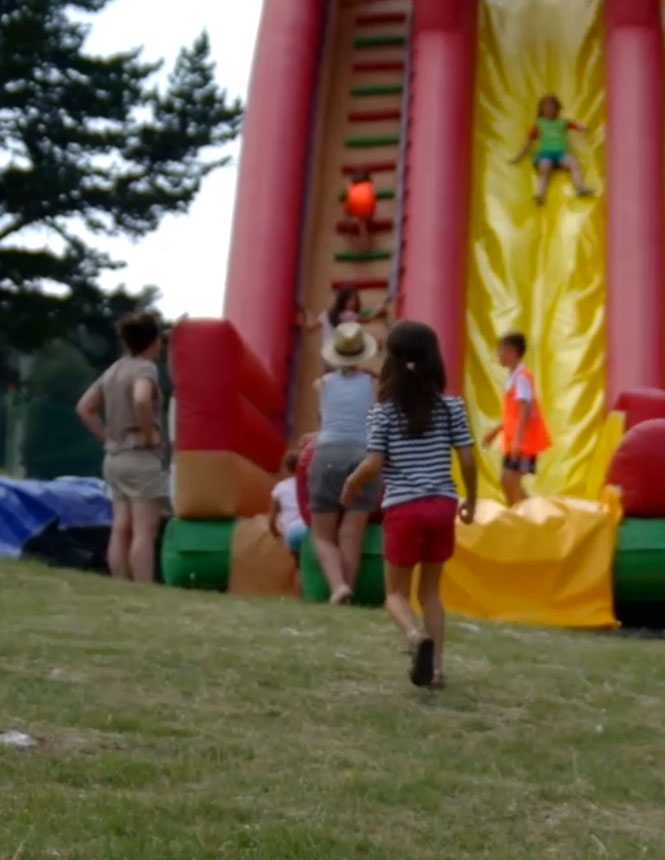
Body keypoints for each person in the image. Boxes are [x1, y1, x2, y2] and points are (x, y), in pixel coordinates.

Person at [341, 321, 477, 689]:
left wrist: (351, 486)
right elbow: (466, 460)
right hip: (442, 505)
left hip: (405, 508)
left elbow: (373, 463)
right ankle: (436, 671)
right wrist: (472, 501)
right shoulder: (452, 406)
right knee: (430, 592)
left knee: (395, 594)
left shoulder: (382, 411)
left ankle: (416, 639)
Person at [76, 312, 168, 584]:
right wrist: (149, 432)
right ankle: (143, 585)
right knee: (144, 530)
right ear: (153, 341)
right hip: (141, 455)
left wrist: (105, 437)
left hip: (114, 457)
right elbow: (141, 399)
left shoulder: (114, 369)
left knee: (120, 526)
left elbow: (85, 408)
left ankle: (119, 581)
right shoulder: (145, 369)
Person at [309, 322, 380, 605]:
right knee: (352, 532)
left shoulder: (321, 384)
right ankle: (347, 589)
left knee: (323, 534)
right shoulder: (374, 384)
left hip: (328, 452)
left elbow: (325, 420)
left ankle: (338, 586)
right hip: (363, 455)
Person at [482, 331, 551, 507]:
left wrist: (518, 443)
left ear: (512, 352)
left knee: (510, 481)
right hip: (516, 441)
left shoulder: (522, 377)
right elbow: (513, 415)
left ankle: (525, 517)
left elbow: (525, 411)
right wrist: (495, 432)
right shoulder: (513, 377)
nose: (499, 355)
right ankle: (524, 514)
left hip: (523, 442)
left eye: (501, 351)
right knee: (508, 482)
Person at [510, 94, 593, 204]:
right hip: (545, 154)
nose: (550, 110)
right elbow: (528, 141)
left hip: (561, 154)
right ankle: (539, 194)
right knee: (545, 169)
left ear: (557, 109)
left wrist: (582, 127)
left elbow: (575, 125)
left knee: (574, 164)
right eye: (547, 107)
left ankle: (580, 187)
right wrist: (519, 156)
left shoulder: (562, 122)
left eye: (553, 107)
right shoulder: (539, 124)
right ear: (542, 110)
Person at [300, 285, 389, 349]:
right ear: (344, 301)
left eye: (355, 300)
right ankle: (375, 344)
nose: (354, 303)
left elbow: (310, 329)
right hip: (342, 352)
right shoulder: (348, 315)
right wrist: (379, 309)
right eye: (352, 300)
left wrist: (305, 315)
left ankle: (375, 343)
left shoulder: (326, 314)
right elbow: (367, 320)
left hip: (328, 353)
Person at [269, 451, 308, 562]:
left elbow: (271, 520)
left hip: (292, 532)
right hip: (310, 529)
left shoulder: (280, 487)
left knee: (298, 562)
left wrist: (276, 534)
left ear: (287, 468)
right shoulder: (309, 484)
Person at [342, 168, 377, 249]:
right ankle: (364, 245)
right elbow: (373, 197)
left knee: (346, 213)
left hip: (355, 207)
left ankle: (348, 228)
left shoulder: (351, 186)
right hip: (367, 208)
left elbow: (348, 198)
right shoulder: (369, 185)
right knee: (362, 223)